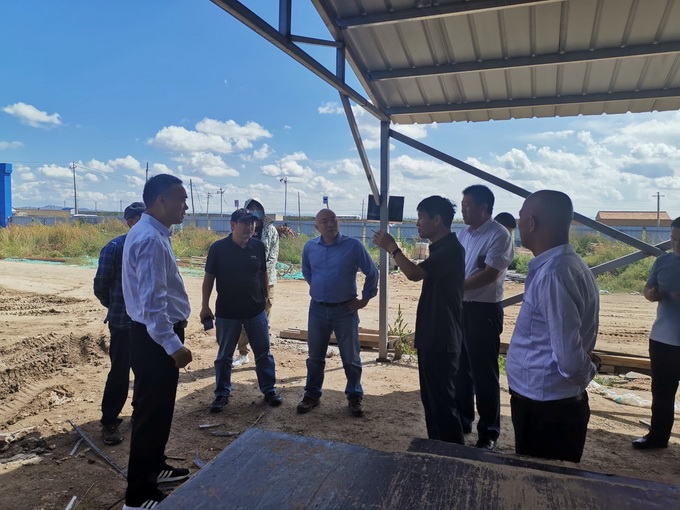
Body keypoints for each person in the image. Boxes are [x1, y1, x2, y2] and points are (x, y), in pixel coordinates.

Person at [506, 190, 599, 463]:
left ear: (531, 222)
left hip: (546, 410)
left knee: (542, 478)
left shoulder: (554, 274)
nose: (519, 223)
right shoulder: (569, 265)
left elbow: (569, 359)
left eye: (521, 217)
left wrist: (590, 369)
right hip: (547, 402)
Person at [122, 174, 193, 510]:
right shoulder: (150, 238)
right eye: (182, 199)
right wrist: (173, 346)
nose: (186, 206)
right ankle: (138, 497)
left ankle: (155, 469)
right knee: (151, 413)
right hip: (156, 339)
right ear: (161, 200)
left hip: (153, 336)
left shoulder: (152, 232)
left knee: (158, 409)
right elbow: (153, 305)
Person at [373, 196, 465, 444]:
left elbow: (414, 274)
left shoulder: (450, 249)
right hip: (433, 335)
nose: (417, 223)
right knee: (432, 401)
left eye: (421, 217)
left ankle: (453, 455)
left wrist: (393, 248)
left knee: (442, 404)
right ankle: (438, 449)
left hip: (441, 337)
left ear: (437, 219)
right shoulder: (441, 248)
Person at [297, 208, 378, 417]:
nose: (330, 224)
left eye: (333, 220)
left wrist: (364, 299)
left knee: (351, 357)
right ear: (317, 227)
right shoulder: (310, 247)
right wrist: (319, 289)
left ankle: (354, 396)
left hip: (345, 310)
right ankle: (312, 395)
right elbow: (307, 271)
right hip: (317, 309)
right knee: (315, 357)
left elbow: (372, 272)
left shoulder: (353, 246)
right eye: (325, 221)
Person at [200, 208, 281, 413]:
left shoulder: (258, 246)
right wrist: (205, 305)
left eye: (252, 223)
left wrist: (265, 296)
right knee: (224, 355)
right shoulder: (218, 248)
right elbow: (209, 278)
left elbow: (263, 272)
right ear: (233, 224)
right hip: (228, 312)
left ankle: (269, 390)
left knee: (263, 353)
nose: (249, 227)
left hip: (255, 311)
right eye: (245, 222)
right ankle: (222, 393)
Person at [455, 185, 514, 450]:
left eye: (468, 205)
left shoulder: (499, 235)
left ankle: (489, 431)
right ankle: (463, 419)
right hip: (461, 308)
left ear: (484, 208)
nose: (463, 209)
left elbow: (490, 274)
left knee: (484, 374)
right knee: (461, 369)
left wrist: (454, 287)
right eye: (462, 205)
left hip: (484, 311)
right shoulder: (463, 234)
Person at [93, 201, 145, 446]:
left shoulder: (152, 245)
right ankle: (110, 421)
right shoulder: (114, 247)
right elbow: (101, 285)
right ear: (130, 221)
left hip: (148, 323)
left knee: (145, 371)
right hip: (123, 323)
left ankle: (139, 412)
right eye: (140, 219)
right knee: (120, 372)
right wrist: (116, 306)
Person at [632, 216, 680, 450]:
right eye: (673, 239)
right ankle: (658, 437)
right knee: (661, 393)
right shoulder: (662, 261)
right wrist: (651, 294)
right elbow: (647, 288)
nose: (676, 245)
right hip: (662, 340)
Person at [232, 198, 280, 367]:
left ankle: (263, 355)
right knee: (242, 319)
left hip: (266, 281)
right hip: (244, 282)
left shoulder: (270, 231)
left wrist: (260, 273)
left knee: (263, 320)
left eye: (257, 208)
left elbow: (273, 256)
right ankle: (243, 353)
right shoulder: (241, 230)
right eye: (251, 209)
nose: (254, 211)